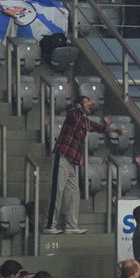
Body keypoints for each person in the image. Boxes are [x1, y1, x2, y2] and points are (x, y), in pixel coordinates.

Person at [45, 96, 109, 235]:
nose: (90, 106)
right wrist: (88, 102)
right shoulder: (72, 114)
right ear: (80, 104)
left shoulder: (84, 121)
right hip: (62, 156)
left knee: (73, 193)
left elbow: (97, 127)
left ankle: (71, 226)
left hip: (72, 161)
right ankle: (50, 225)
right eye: (86, 103)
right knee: (57, 191)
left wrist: (113, 130)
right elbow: (71, 109)